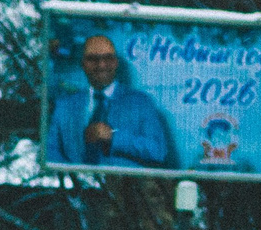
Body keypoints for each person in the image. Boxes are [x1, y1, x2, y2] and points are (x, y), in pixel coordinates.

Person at [44, 33, 173, 168]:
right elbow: (50, 153)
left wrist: (113, 137)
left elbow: (158, 151)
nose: (101, 65)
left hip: (126, 187)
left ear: (116, 62)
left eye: (108, 58)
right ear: (83, 64)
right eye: (93, 59)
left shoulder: (141, 102)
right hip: (77, 187)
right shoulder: (65, 105)